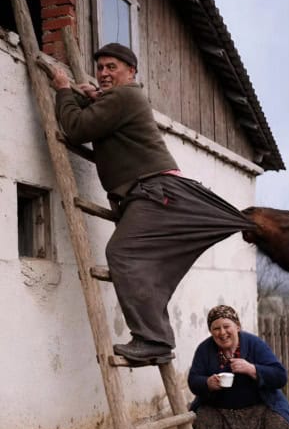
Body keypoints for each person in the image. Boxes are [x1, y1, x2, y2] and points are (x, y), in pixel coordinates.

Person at [50, 43, 254, 364]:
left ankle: (153, 340)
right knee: (142, 264)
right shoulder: (116, 100)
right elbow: (94, 120)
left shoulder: (126, 95)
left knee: (123, 253)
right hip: (147, 193)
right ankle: (155, 338)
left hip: (152, 191)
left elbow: (76, 129)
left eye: (111, 67)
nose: (104, 73)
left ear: (130, 71)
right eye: (100, 67)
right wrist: (87, 98)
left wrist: (63, 89)